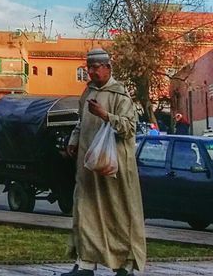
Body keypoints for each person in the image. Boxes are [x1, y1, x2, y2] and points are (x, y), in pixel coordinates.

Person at [64, 47, 146, 276]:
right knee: (85, 210)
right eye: (88, 68)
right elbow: (81, 122)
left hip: (114, 168)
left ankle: (124, 265)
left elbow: (129, 128)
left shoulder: (121, 95)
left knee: (118, 214)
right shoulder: (86, 93)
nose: (91, 72)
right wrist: (74, 140)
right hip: (88, 167)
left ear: (108, 68)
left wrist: (104, 115)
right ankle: (85, 264)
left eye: (96, 67)